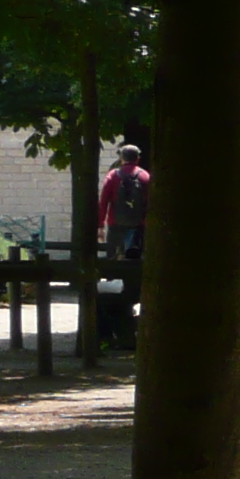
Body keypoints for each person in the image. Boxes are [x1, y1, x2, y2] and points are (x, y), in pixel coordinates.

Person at [96, 143, 151, 351]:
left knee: (114, 267)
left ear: (121, 158)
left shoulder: (113, 176)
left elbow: (103, 201)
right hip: (138, 227)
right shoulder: (145, 177)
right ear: (138, 158)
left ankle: (114, 304)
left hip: (115, 225)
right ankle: (132, 295)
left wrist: (100, 225)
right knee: (134, 266)